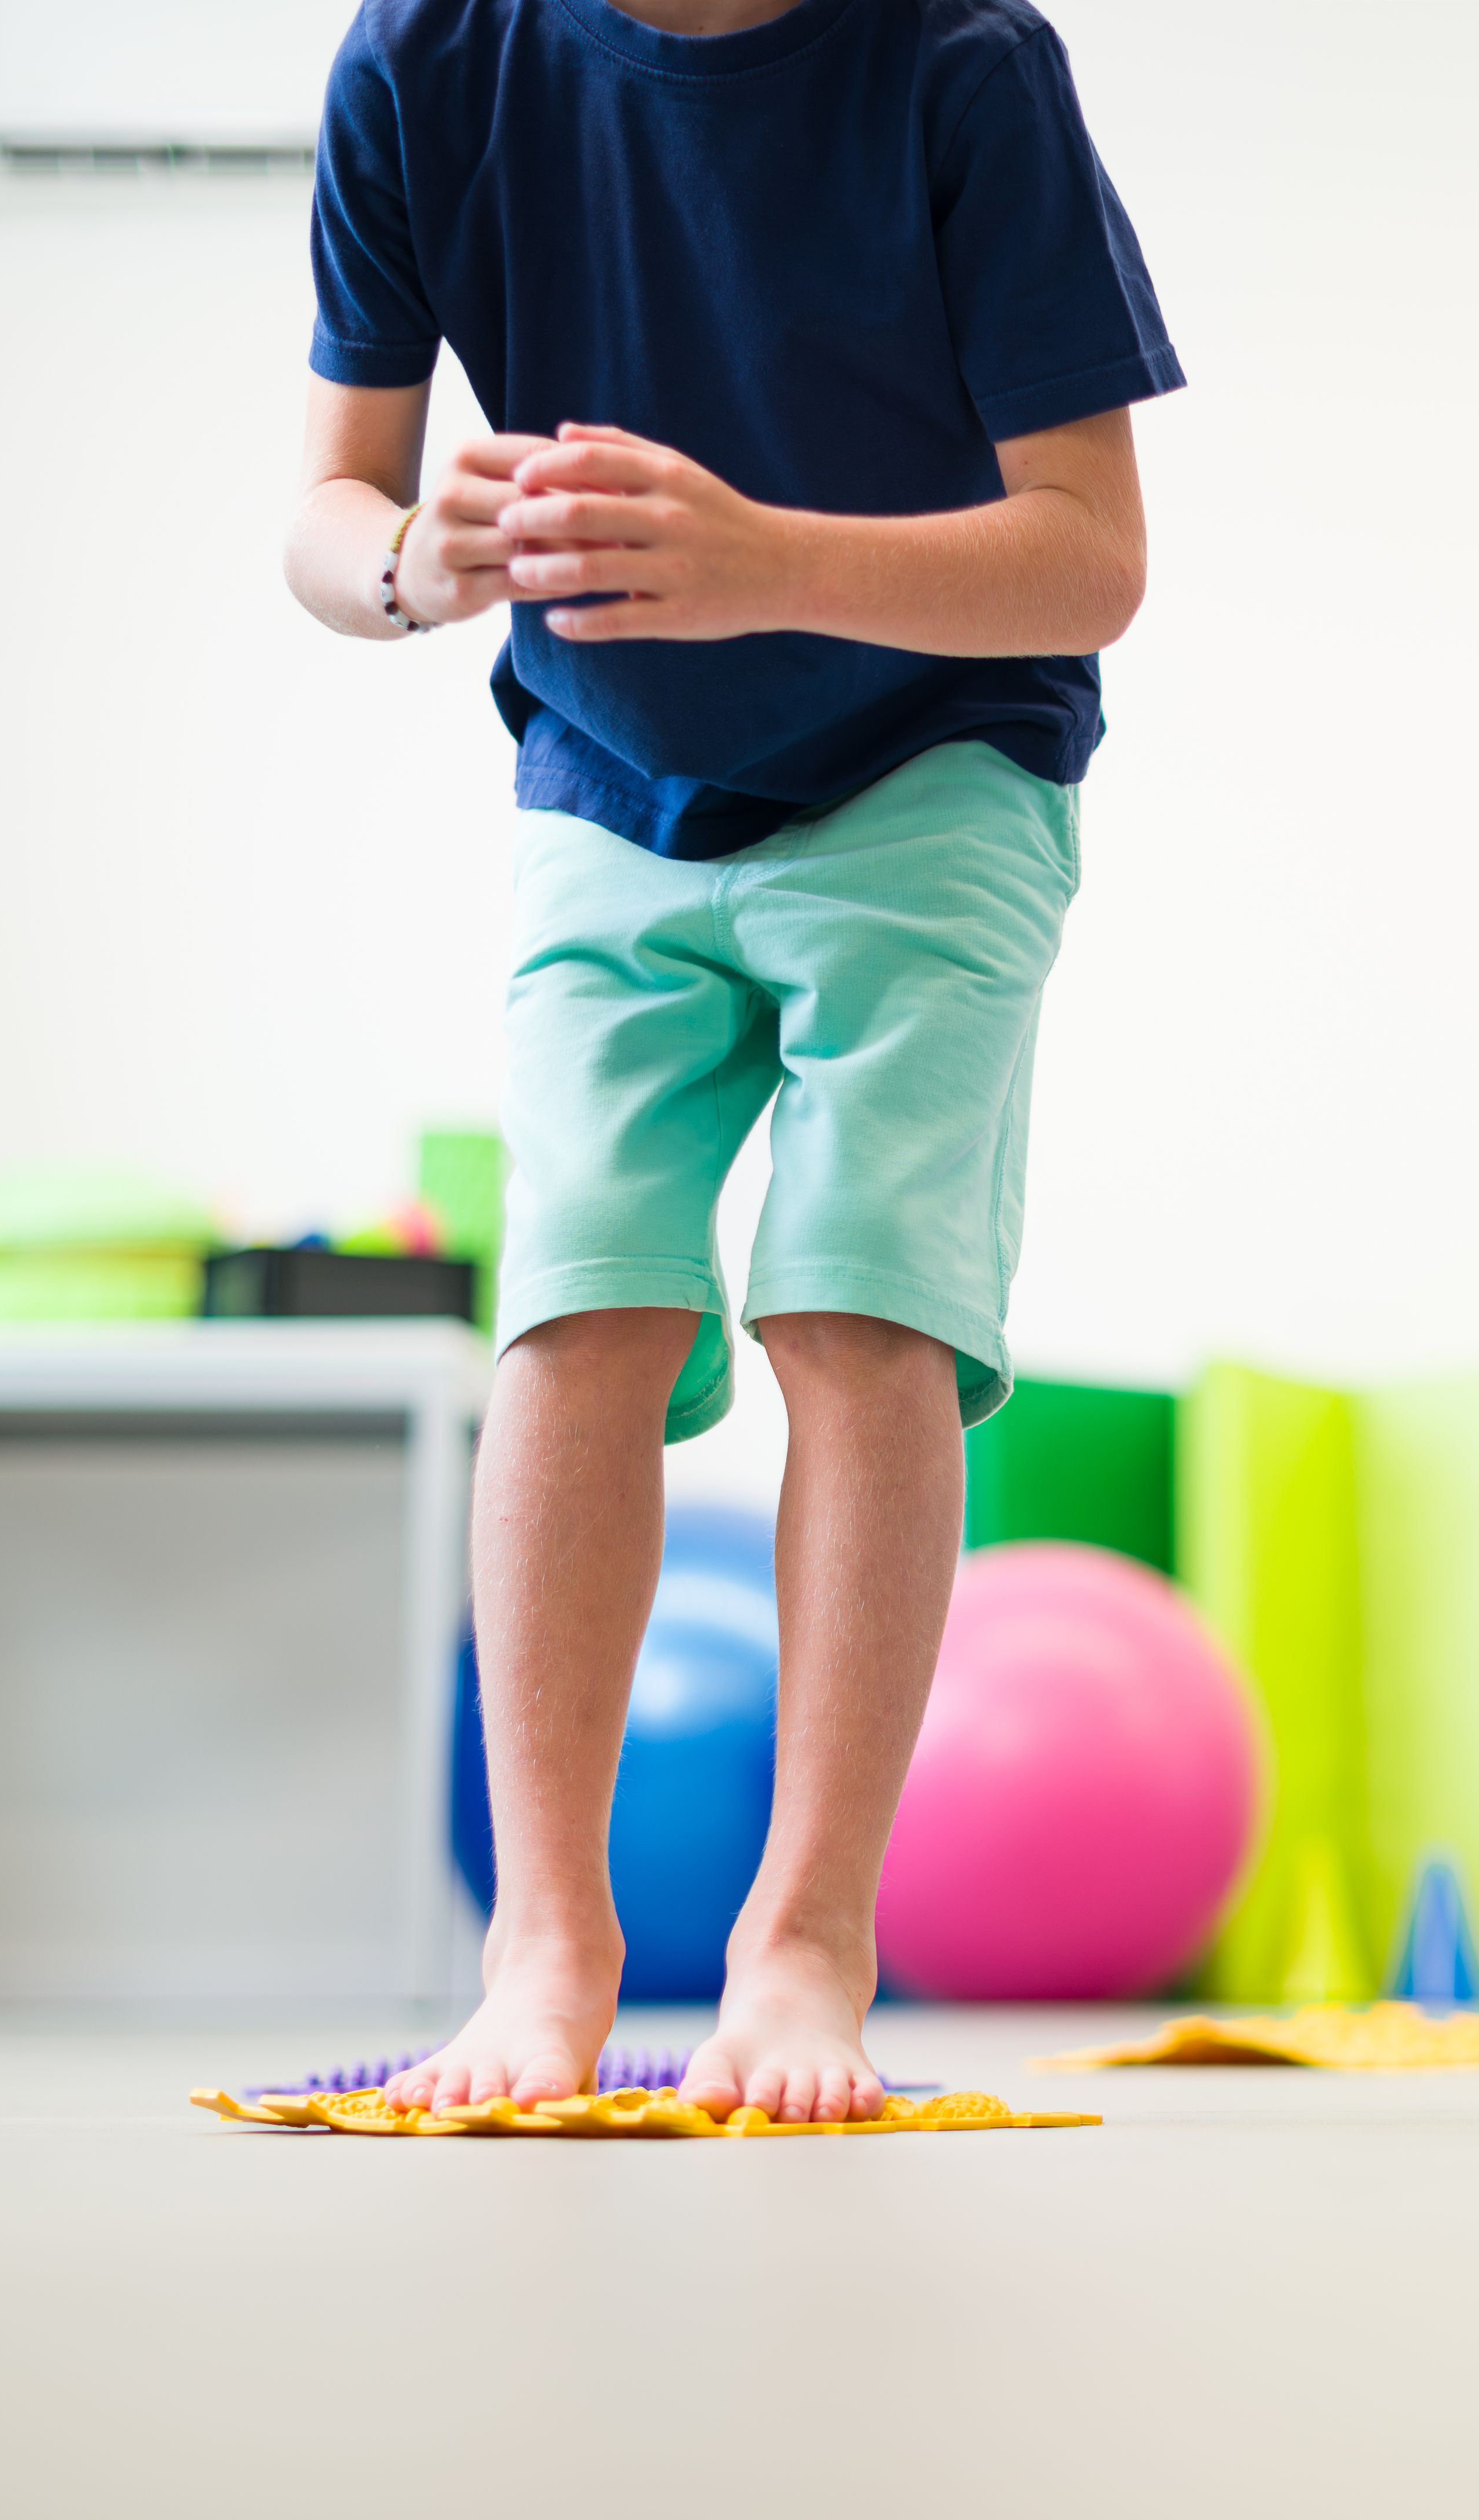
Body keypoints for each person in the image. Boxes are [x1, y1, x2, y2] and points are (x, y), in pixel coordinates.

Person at [283, 0, 1179, 2121]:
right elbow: (330, 503)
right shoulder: (426, 59)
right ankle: (545, 1947)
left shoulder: (963, 63)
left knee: (861, 1301)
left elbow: (1096, 552)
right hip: (606, 777)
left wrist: (765, 560)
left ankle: (804, 1949)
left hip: (938, 759)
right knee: (574, 1308)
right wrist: (421, 563)